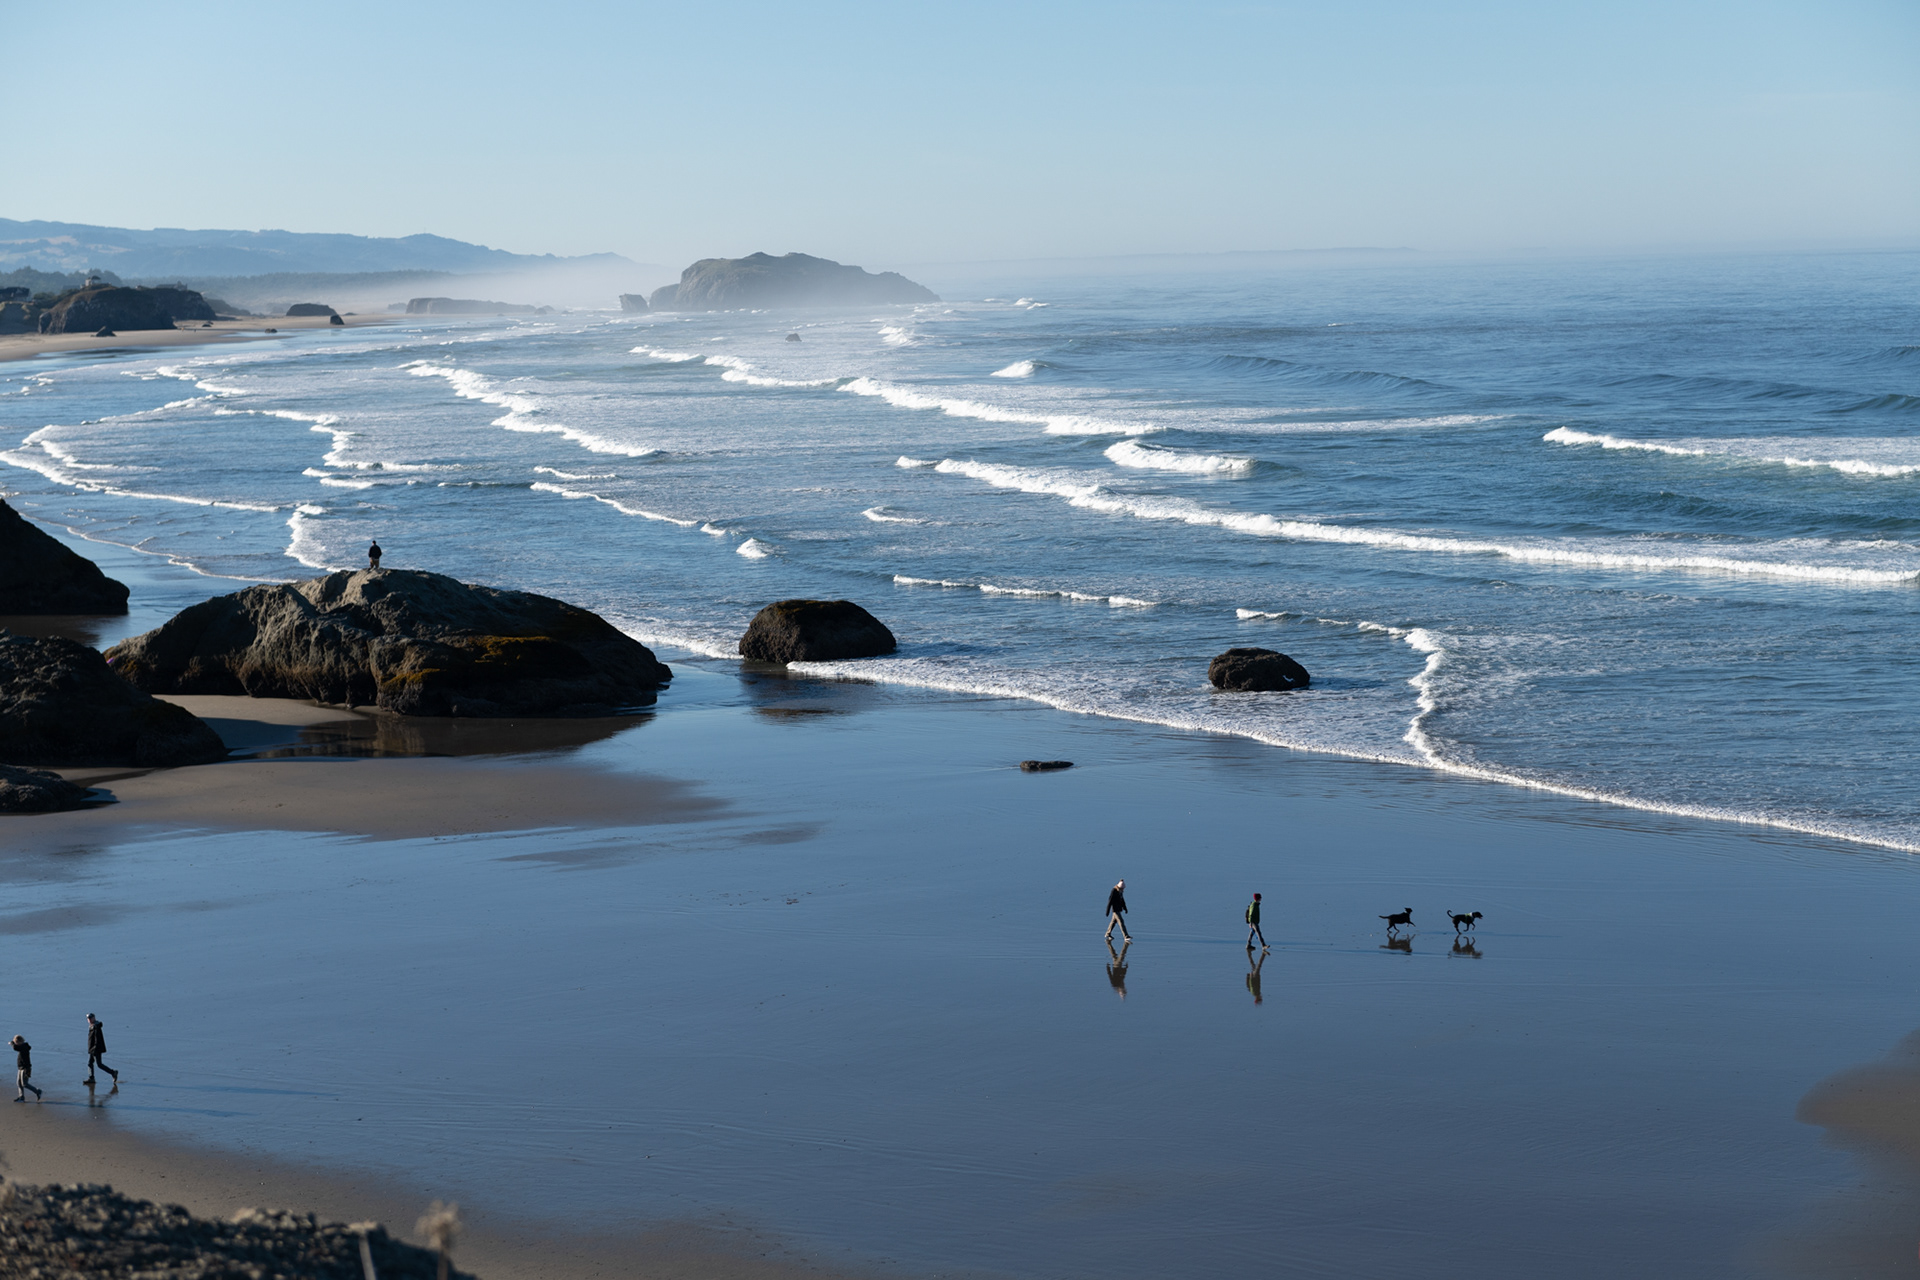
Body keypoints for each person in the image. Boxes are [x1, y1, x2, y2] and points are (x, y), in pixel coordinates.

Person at [85, 1013, 118, 1087]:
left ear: (94, 1018)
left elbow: (97, 1040)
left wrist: (94, 1049)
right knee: (90, 1063)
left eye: (90, 1018)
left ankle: (113, 1072)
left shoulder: (96, 1027)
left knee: (99, 1064)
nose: (89, 1020)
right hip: (92, 1049)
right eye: (88, 1019)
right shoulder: (91, 1026)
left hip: (96, 1049)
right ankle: (91, 1078)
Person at [11, 1034, 40, 1101]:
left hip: (26, 1068)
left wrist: (12, 1043)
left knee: (25, 1084)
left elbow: (15, 1048)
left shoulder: (24, 1047)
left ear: (20, 1042)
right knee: (18, 1083)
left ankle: (38, 1091)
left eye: (16, 1042)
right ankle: (21, 1097)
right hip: (20, 1068)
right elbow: (16, 1048)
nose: (16, 1044)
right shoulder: (22, 1047)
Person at [1105, 879, 1132, 944]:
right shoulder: (1114, 891)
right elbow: (1110, 901)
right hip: (1115, 910)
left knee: (1113, 922)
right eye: (1122, 888)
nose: (1123, 890)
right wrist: (1107, 911)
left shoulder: (1120, 892)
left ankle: (1108, 934)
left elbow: (1122, 900)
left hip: (1119, 909)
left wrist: (1125, 908)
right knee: (1121, 922)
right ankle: (1126, 936)